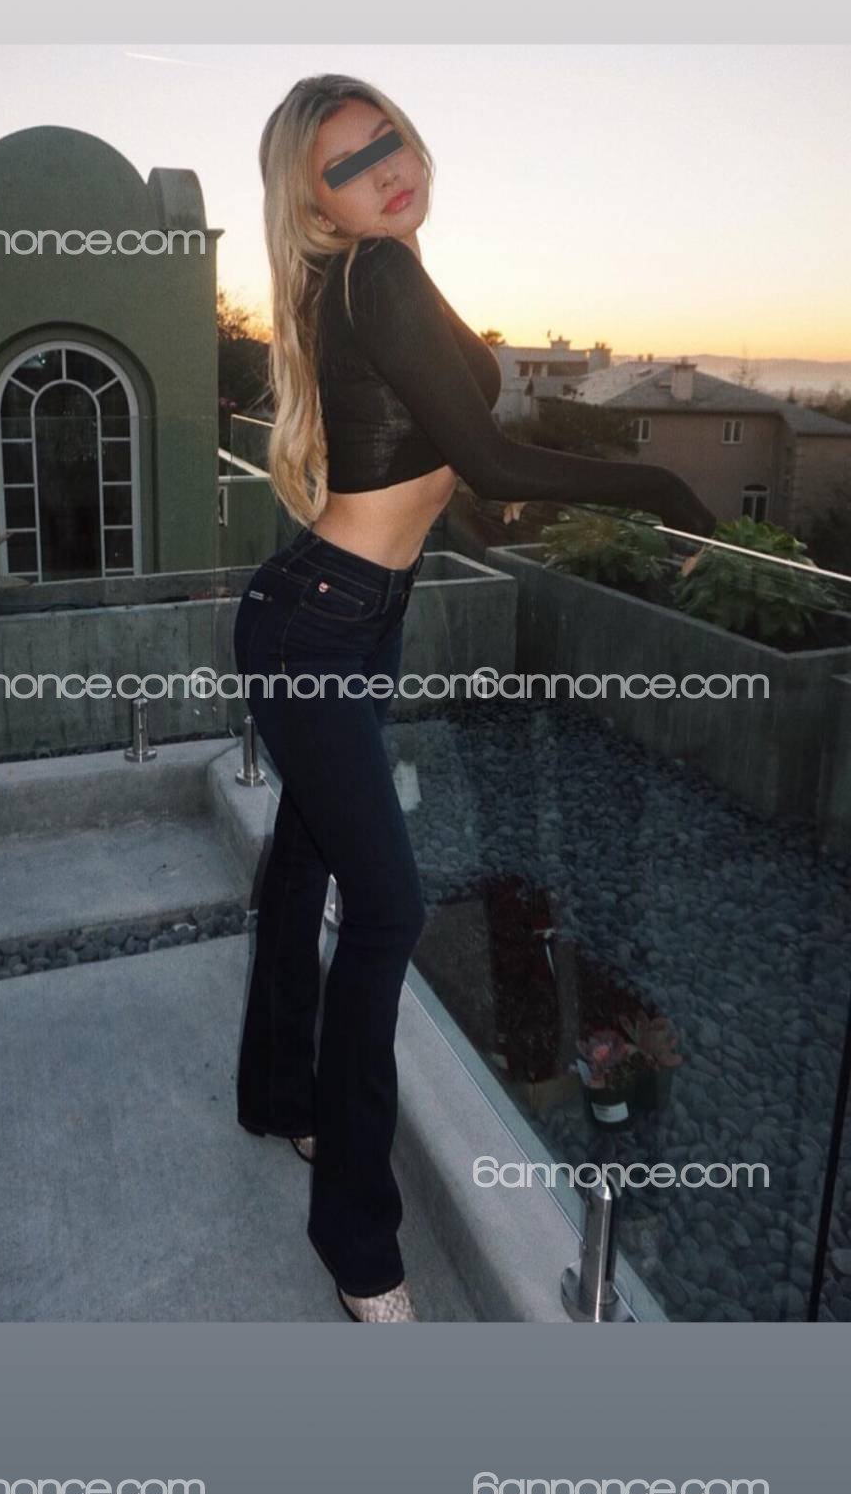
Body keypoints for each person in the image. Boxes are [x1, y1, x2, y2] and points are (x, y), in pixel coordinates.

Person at [232, 74, 715, 1323]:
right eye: (348, 164)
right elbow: (491, 460)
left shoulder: (385, 268)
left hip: (350, 610)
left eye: (387, 138)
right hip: (319, 617)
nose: (385, 167)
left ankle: (279, 1094)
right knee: (385, 905)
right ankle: (355, 1237)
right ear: (314, 203)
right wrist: (664, 488)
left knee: (306, 856)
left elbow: (448, 442)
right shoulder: (374, 275)